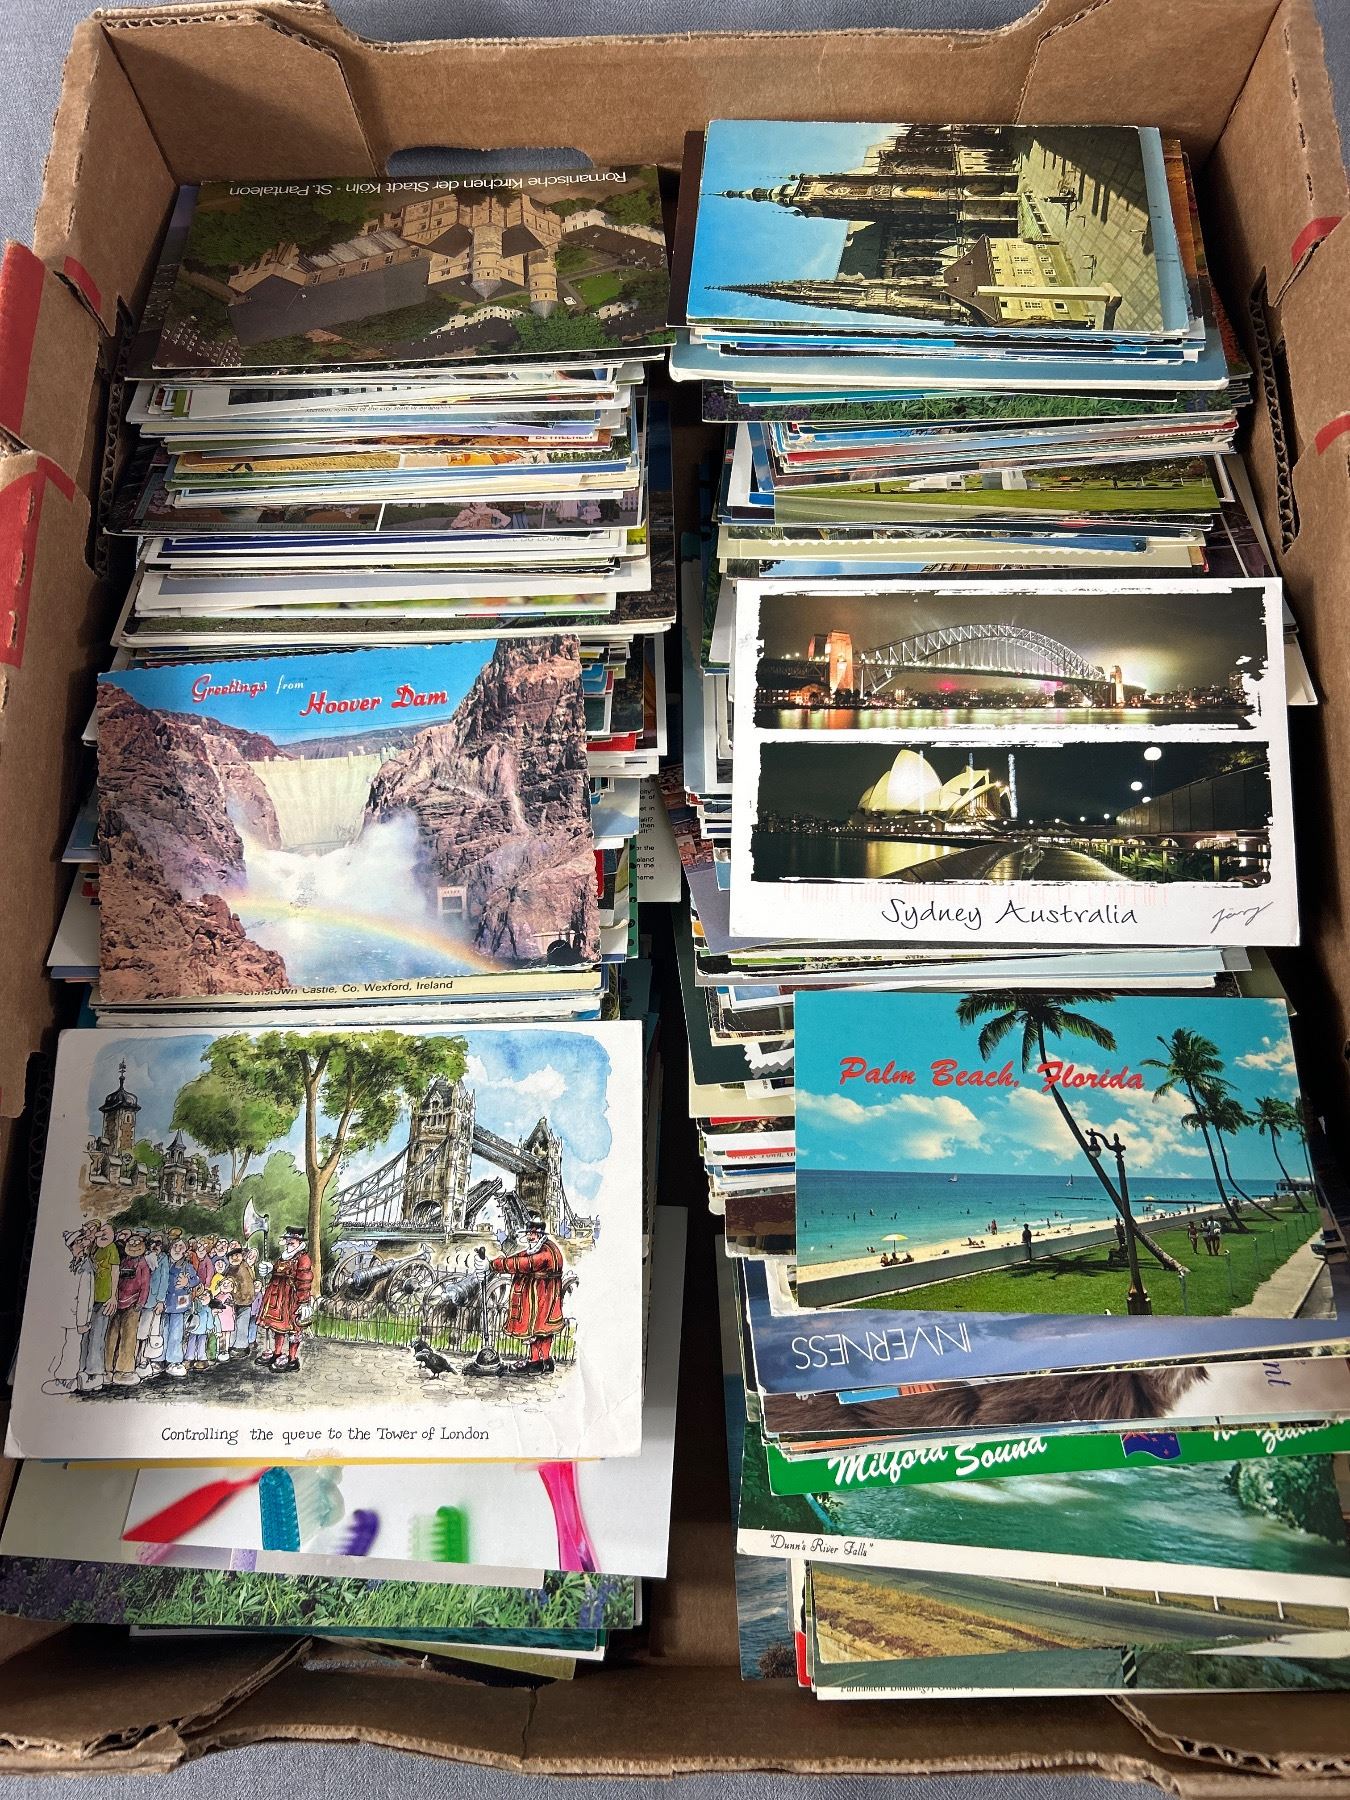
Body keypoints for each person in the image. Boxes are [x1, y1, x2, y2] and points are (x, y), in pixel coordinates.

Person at [490, 1209, 566, 1376]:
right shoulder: (544, 1247)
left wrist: (496, 1265)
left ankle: (535, 1362)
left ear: (539, 1233)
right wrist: (499, 1262)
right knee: (541, 1331)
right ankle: (544, 1361)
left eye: (532, 1233)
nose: (530, 1236)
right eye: (529, 1233)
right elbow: (522, 1256)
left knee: (538, 1329)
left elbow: (526, 1263)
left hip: (540, 1296)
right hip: (543, 1295)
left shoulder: (545, 1252)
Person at [257, 1227, 314, 1372]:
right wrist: (271, 1268)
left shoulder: (303, 1258)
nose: (289, 1244)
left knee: (294, 1329)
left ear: (299, 1242)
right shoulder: (284, 1256)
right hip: (279, 1297)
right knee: (279, 1328)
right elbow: (279, 1269)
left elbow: (304, 1281)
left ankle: (292, 1359)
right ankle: (277, 1354)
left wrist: (303, 1302)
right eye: (288, 1242)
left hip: (293, 1298)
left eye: (292, 1242)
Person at [46, 1225, 94, 1394]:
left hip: (76, 1316)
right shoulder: (70, 1263)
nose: (82, 1245)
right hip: (65, 1314)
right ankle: (60, 1377)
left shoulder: (86, 1266)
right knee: (62, 1346)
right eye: (78, 1242)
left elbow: (85, 1296)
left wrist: (82, 1321)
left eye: (82, 1242)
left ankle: (68, 1381)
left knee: (72, 1348)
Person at [78, 1222, 120, 1393]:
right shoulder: (93, 1249)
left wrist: (113, 1297)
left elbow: (115, 1272)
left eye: (106, 1232)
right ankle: (82, 1369)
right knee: (86, 1335)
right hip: (90, 1299)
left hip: (104, 1299)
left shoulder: (111, 1249)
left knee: (98, 1335)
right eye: (100, 1231)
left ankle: (95, 1372)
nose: (102, 1234)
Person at [107, 1232, 150, 1386]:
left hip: (132, 1304)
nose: (134, 1244)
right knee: (112, 1335)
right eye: (131, 1241)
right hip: (118, 1303)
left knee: (128, 1337)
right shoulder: (124, 1261)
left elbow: (145, 1286)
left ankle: (124, 1370)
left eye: (137, 1242)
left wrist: (140, 1303)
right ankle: (108, 1367)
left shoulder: (143, 1265)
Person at [161, 1236, 197, 1378]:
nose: (177, 1249)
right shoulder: (163, 1262)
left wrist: (187, 1282)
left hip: (179, 1305)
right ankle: (159, 1359)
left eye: (181, 1246)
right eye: (175, 1246)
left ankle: (174, 1360)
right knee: (162, 1331)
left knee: (176, 1333)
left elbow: (196, 1280)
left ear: (185, 1250)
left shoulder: (187, 1266)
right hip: (163, 1303)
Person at [227, 1247, 256, 1352]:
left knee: (242, 1324)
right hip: (233, 1302)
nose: (234, 1258)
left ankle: (241, 1347)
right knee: (233, 1324)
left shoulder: (245, 1267)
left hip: (246, 1301)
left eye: (237, 1255)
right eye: (232, 1256)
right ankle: (230, 1345)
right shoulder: (229, 1270)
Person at [185, 1284, 213, 1368]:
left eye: (206, 1295)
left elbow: (210, 1319)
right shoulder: (195, 1306)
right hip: (193, 1329)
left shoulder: (208, 1309)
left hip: (203, 1331)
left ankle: (202, 1359)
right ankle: (189, 1358)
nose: (203, 1297)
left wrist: (209, 1327)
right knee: (191, 1343)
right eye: (202, 1294)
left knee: (202, 1344)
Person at [212, 1277, 237, 1363]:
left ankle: (225, 1350)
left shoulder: (228, 1296)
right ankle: (218, 1350)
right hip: (219, 1319)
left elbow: (224, 1305)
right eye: (224, 1283)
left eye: (228, 1284)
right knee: (219, 1335)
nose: (225, 1285)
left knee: (226, 1335)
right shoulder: (217, 1295)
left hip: (227, 1319)